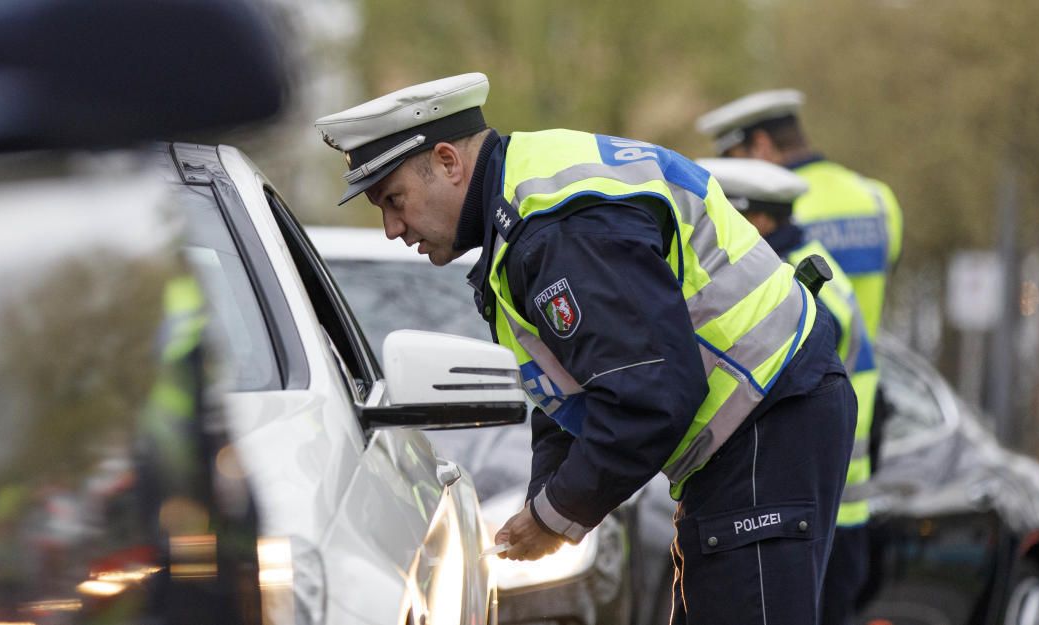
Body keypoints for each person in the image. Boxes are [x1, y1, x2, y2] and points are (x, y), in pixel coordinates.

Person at [314, 73, 856, 624]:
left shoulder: (557, 230)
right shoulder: (524, 211)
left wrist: (555, 516)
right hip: (756, 425)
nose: (391, 228)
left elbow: (650, 393)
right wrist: (548, 497)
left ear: (449, 162)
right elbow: (577, 384)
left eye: (394, 199)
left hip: (767, 418)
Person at [698, 158, 880, 625]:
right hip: (823, 499)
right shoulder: (800, 267)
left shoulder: (797, 289)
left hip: (821, 507)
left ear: (756, 219)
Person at [695, 90, 902, 340]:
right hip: (864, 371)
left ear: (761, 145)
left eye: (731, 157)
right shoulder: (878, 198)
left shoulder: (771, 215)